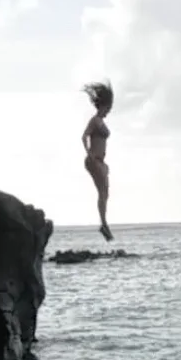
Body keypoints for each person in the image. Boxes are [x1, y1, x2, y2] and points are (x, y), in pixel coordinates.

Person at [81, 81, 115, 242]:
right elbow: (84, 136)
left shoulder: (102, 122)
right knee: (102, 192)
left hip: (101, 161)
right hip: (94, 160)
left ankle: (104, 224)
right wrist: (90, 155)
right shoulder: (94, 121)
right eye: (108, 107)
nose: (109, 111)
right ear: (103, 106)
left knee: (105, 193)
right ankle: (103, 224)